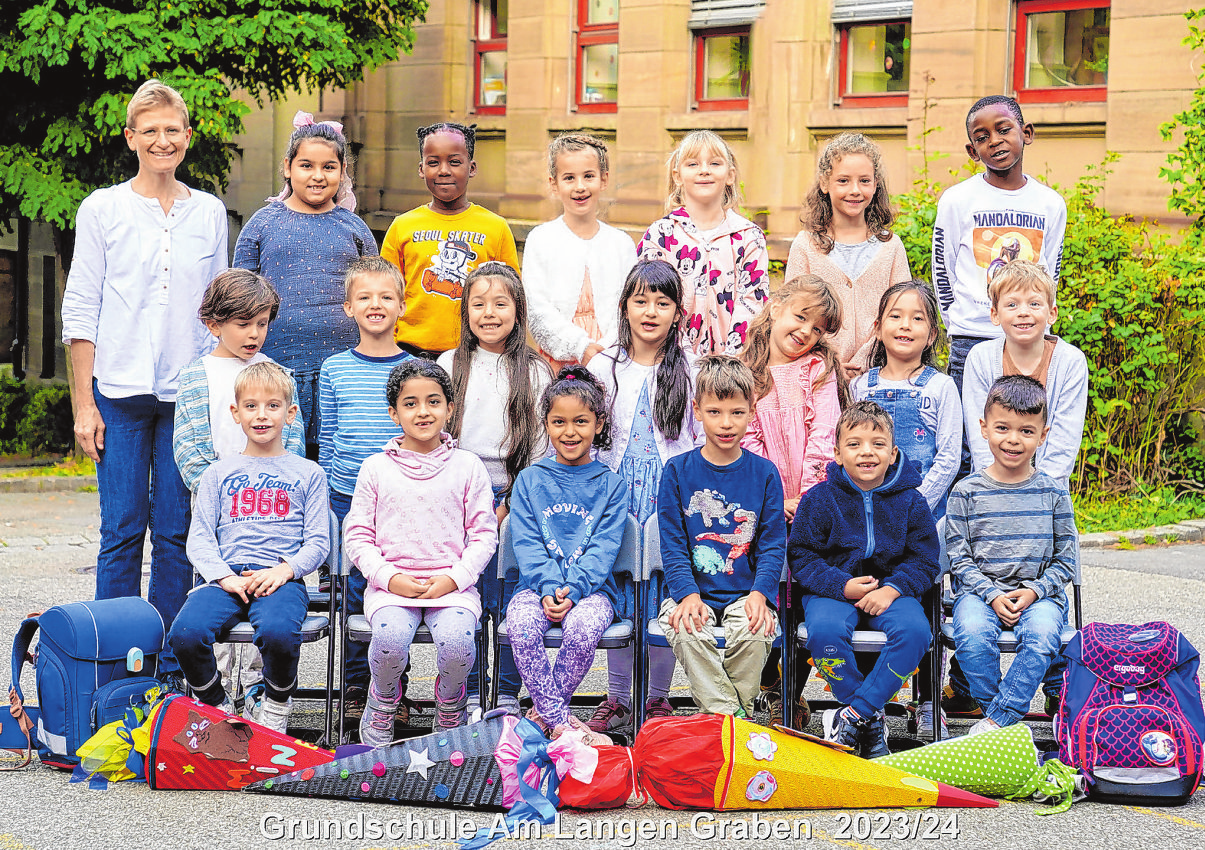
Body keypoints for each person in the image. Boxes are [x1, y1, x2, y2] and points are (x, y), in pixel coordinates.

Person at [60, 79, 229, 686]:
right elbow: (80, 309)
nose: (162, 140)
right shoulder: (103, 208)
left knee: (177, 532)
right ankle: (112, 666)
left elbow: (218, 312)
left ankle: (165, 669)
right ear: (131, 138)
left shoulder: (207, 211)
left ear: (187, 138)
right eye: (149, 130)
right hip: (120, 390)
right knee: (122, 530)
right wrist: (85, 405)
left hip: (186, 396)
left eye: (172, 130)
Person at [167, 362, 330, 733]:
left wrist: (284, 571)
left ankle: (275, 704)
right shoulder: (216, 474)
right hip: (227, 578)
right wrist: (224, 577)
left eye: (273, 406)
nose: (262, 415)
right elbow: (201, 538)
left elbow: (319, 540)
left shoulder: (309, 473)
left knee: (278, 632)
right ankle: (215, 704)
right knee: (185, 633)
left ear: (290, 414)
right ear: (235, 413)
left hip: (281, 579)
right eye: (252, 406)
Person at [343, 360, 497, 744]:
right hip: (392, 587)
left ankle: (449, 710)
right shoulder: (375, 468)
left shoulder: (468, 467)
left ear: (449, 408)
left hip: (453, 588)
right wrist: (389, 577)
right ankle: (382, 703)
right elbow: (358, 534)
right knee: (391, 639)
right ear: (393, 413)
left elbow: (483, 534)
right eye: (410, 403)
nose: (423, 411)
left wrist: (454, 578)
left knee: (459, 642)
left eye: (433, 401)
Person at [788, 401, 939, 758]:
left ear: (893, 452)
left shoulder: (912, 502)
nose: (866, 452)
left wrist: (893, 589)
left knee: (916, 633)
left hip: (892, 592)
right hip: (832, 591)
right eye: (854, 444)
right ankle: (870, 722)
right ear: (838, 453)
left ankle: (854, 715)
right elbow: (802, 556)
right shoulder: (819, 500)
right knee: (823, 634)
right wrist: (841, 585)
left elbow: (925, 560)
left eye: (877, 443)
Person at [585, 259, 699, 732]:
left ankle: (656, 699)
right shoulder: (603, 365)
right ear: (624, 307)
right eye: (640, 301)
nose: (650, 311)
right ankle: (616, 697)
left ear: (678, 312)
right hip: (617, 497)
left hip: (668, 497)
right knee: (623, 596)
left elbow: (698, 435)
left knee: (660, 593)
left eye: (662, 302)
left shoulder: (691, 367)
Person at [437, 262, 552, 718]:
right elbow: (438, 437)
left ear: (518, 310)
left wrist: (510, 502)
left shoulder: (535, 371)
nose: (489, 313)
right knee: (468, 597)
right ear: (464, 311)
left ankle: (506, 690)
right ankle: (463, 692)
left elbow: (542, 448)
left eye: (500, 303)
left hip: (516, 495)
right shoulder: (449, 364)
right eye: (478, 304)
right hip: (459, 494)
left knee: (508, 596)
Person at [852, 279, 962, 738]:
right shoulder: (861, 384)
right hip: (867, 518)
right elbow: (851, 446)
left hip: (922, 519)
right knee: (867, 597)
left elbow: (950, 455)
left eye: (918, 318)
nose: (906, 325)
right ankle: (867, 698)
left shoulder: (940, 389)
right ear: (878, 327)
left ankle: (925, 699)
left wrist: (914, 508)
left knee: (922, 605)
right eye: (896, 316)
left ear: (932, 333)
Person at [233, 112, 378, 455]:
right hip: (275, 371)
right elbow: (239, 300)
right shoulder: (261, 225)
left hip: (343, 371)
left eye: (329, 167)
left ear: (343, 172)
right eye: (306, 165)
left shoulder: (354, 229)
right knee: (283, 461)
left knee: (336, 458)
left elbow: (375, 296)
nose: (317, 176)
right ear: (287, 167)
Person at [947, 376, 1077, 735]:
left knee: (1043, 635)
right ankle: (1000, 720)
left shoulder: (1052, 492)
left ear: (1043, 434)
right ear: (984, 428)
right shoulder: (967, 492)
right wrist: (990, 593)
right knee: (971, 636)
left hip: (1040, 596)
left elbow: (1066, 557)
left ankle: (997, 722)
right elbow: (958, 558)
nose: (1013, 440)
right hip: (980, 594)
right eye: (1002, 428)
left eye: (1026, 431)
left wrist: (1035, 590)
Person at [657, 355, 785, 719]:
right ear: (696, 410)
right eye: (714, 412)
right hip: (691, 591)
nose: (726, 424)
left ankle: (719, 725)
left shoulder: (764, 473)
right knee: (685, 627)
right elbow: (674, 544)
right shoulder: (678, 471)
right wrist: (687, 595)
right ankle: (735, 722)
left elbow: (773, 544)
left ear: (752, 410)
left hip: (746, 593)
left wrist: (761, 595)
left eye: (737, 413)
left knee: (756, 630)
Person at [506, 366, 628, 739]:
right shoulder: (528, 480)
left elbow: (603, 547)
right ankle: (560, 722)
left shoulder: (612, 485)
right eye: (559, 421)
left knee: (581, 630)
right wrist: (547, 588)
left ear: (600, 423)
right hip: (534, 588)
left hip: (593, 592)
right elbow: (526, 543)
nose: (570, 432)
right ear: (545, 423)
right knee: (521, 627)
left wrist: (573, 589)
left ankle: (539, 721)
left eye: (581, 421)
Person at [317, 256, 412, 717]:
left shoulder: (415, 367)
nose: (376, 305)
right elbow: (329, 437)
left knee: (396, 592)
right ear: (348, 307)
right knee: (355, 591)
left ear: (402, 305)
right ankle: (358, 688)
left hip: (402, 499)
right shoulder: (333, 368)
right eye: (365, 297)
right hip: (346, 497)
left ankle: (396, 687)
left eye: (386, 297)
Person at [931, 96, 1067, 395]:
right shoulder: (957, 200)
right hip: (971, 338)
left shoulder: (1050, 204)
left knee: (1023, 430)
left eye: (1004, 130)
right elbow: (943, 268)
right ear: (973, 151)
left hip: (1029, 339)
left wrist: (1038, 326)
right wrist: (957, 320)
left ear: (1026, 133)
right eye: (982, 137)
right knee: (969, 433)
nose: (995, 141)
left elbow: (1050, 272)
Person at [382, 122, 519, 357]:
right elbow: (385, 293)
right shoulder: (402, 226)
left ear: (472, 167)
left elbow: (512, 296)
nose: (443, 170)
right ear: (421, 169)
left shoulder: (495, 227)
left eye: (454, 162)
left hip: (475, 354)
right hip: (410, 354)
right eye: (433, 162)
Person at [785, 132, 911, 377]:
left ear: (875, 185)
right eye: (843, 181)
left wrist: (867, 357)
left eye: (864, 181)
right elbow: (794, 316)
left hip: (879, 374)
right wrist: (827, 363)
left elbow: (901, 312)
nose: (855, 190)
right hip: (819, 376)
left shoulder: (891, 247)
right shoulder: (805, 246)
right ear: (825, 183)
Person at [637, 130, 769, 356]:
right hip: (672, 361)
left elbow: (754, 303)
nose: (704, 170)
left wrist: (730, 361)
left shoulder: (749, 236)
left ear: (730, 175)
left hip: (734, 366)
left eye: (715, 163)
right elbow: (651, 300)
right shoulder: (660, 235)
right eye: (693, 164)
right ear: (677, 176)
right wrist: (683, 358)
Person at [174, 270, 303, 492]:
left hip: (272, 497)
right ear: (214, 325)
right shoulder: (195, 378)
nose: (254, 333)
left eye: (262, 324)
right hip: (216, 500)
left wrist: (276, 485)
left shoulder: (280, 375)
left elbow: (294, 439)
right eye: (243, 324)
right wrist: (221, 493)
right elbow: (186, 449)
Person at [963, 261, 1088, 490]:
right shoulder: (980, 358)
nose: (1023, 312)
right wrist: (998, 490)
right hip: (990, 490)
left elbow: (1064, 443)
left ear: (1052, 313)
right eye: (1011, 304)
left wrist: (1034, 496)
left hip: (1047, 494)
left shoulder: (1071, 362)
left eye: (1034, 303)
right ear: (994, 314)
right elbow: (980, 438)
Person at [523, 133, 637, 370]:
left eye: (588, 176)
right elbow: (536, 308)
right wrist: (580, 347)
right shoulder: (541, 239)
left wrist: (606, 350)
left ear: (603, 179)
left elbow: (630, 306)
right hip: (557, 362)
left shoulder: (621, 244)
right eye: (569, 178)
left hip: (613, 359)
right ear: (554, 183)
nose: (580, 187)